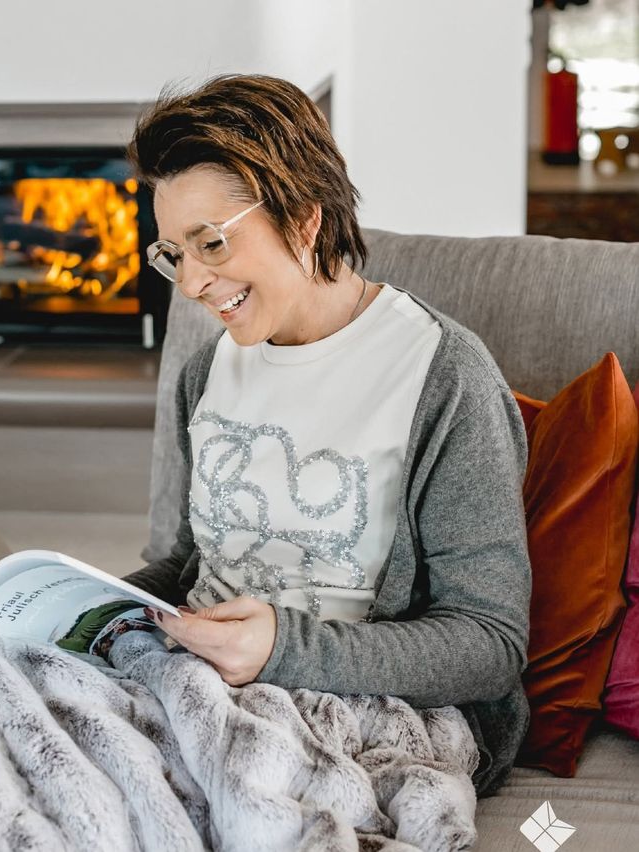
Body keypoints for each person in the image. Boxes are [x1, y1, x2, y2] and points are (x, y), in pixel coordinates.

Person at [120, 73, 532, 799]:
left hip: (356, 717)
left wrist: (282, 648)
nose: (190, 284)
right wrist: (83, 601)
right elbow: (192, 562)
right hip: (195, 683)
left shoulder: (444, 378)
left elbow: (488, 644)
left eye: (211, 243)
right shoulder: (207, 372)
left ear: (305, 221)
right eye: (172, 254)